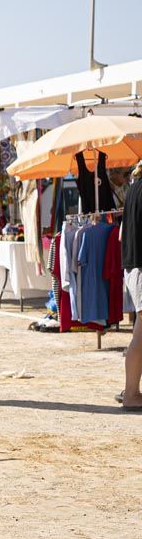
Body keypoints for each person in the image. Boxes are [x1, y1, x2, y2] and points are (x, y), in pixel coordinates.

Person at [120, 161, 142, 410]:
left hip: (134, 266)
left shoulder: (135, 187)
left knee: (140, 331)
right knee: (141, 332)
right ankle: (132, 393)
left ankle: (132, 391)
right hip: (139, 266)